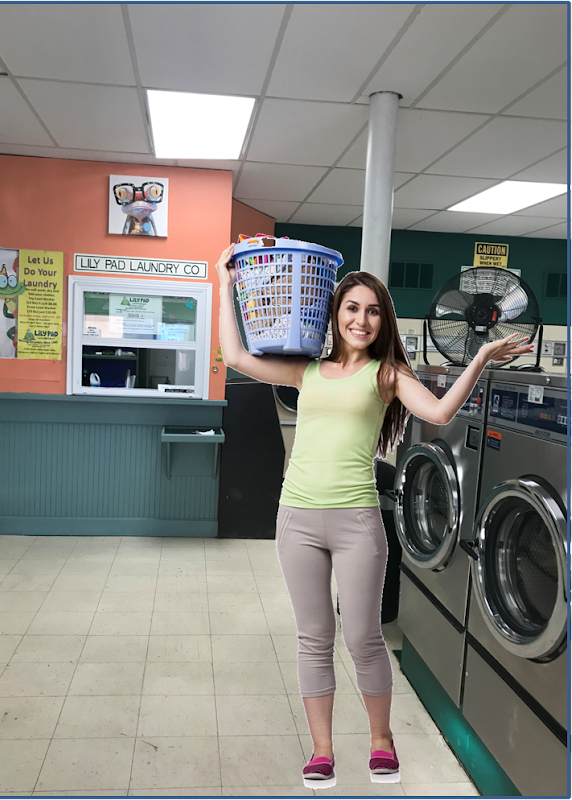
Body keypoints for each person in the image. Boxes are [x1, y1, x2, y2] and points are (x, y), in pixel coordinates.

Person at [215, 243, 532, 788]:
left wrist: (477, 359)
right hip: (297, 519)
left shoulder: (386, 375)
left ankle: (381, 738)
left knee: (362, 637)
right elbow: (237, 356)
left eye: (373, 310)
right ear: (333, 315)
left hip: (356, 521)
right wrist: (225, 284)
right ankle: (321, 750)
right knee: (313, 637)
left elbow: (437, 411)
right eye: (352, 308)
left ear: (382, 320)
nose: (361, 319)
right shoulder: (307, 370)